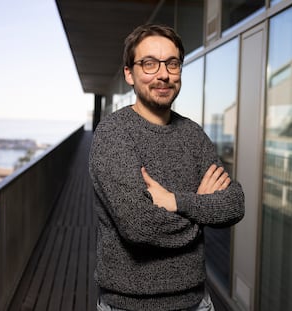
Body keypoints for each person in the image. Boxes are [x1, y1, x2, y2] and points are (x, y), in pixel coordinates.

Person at [89, 24, 245, 311]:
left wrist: (175, 201)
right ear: (129, 74)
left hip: (196, 302)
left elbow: (234, 204)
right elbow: (139, 226)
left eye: (172, 64)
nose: (163, 74)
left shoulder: (193, 134)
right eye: (149, 63)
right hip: (129, 306)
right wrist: (201, 208)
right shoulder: (113, 133)